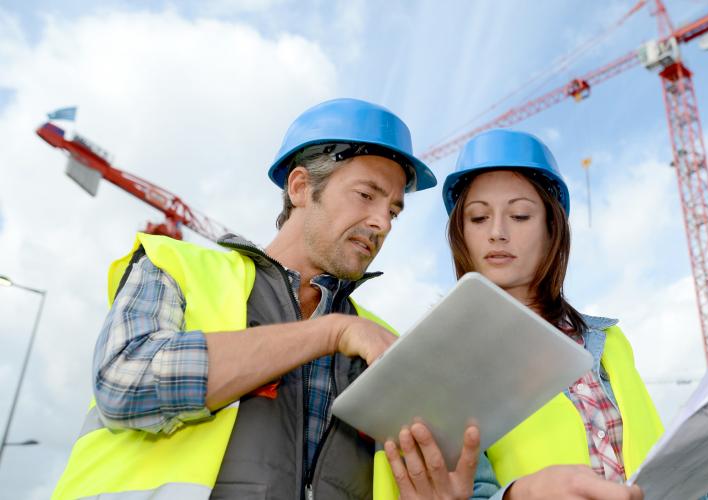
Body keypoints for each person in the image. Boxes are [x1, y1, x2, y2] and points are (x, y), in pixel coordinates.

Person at [52, 98, 480, 500]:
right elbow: (123, 382)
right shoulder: (178, 265)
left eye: (393, 211)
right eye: (367, 195)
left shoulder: (383, 341)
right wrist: (328, 332)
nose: (381, 222)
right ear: (299, 187)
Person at [383, 129, 708, 500]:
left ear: (551, 230)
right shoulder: (444, 355)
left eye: (520, 216)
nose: (497, 233)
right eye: (478, 219)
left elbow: (667, 480)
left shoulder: (609, 343)